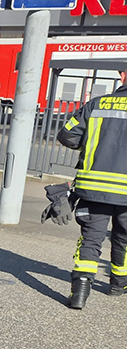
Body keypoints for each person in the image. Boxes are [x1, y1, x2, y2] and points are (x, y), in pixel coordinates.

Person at [50, 69, 127, 307]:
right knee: (124, 238)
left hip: (93, 188)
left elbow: (66, 135)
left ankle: (80, 293)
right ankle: (118, 284)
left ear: (122, 75)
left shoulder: (96, 104)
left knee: (91, 240)